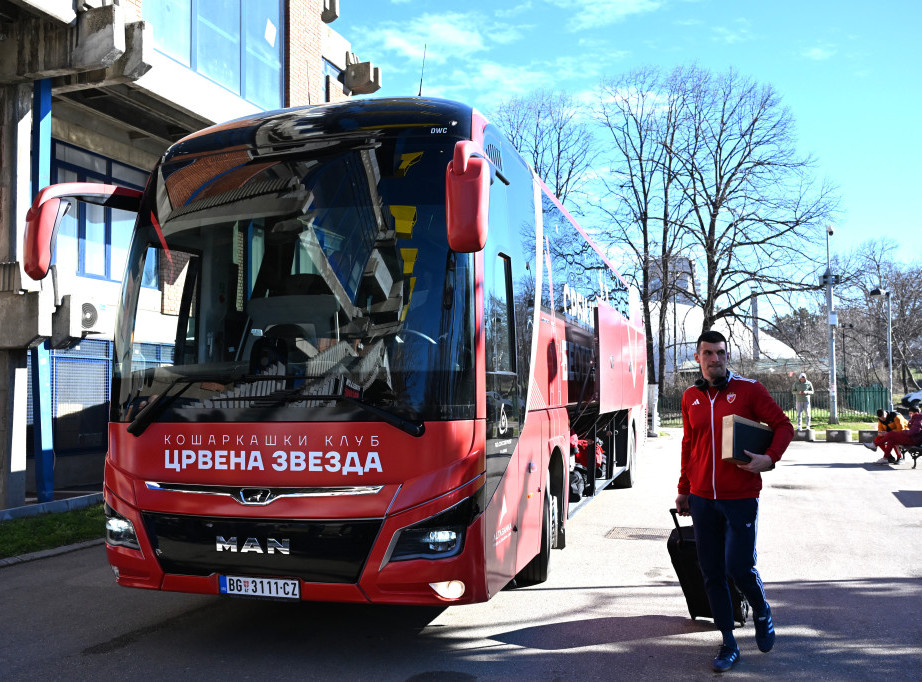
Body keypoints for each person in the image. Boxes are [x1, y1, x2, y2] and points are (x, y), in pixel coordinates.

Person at [677, 330, 794, 673]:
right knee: (711, 572)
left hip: (740, 497)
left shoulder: (749, 390)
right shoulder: (690, 397)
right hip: (701, 499)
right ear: (698, 358)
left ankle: (761, 609)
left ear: (727, 356)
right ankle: (729, 642)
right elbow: (689, 445)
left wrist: (769, 458)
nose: (715, 358)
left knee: (739, 567)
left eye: (721, 352)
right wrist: (684, 488)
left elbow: (783, 426)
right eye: (708, 353)